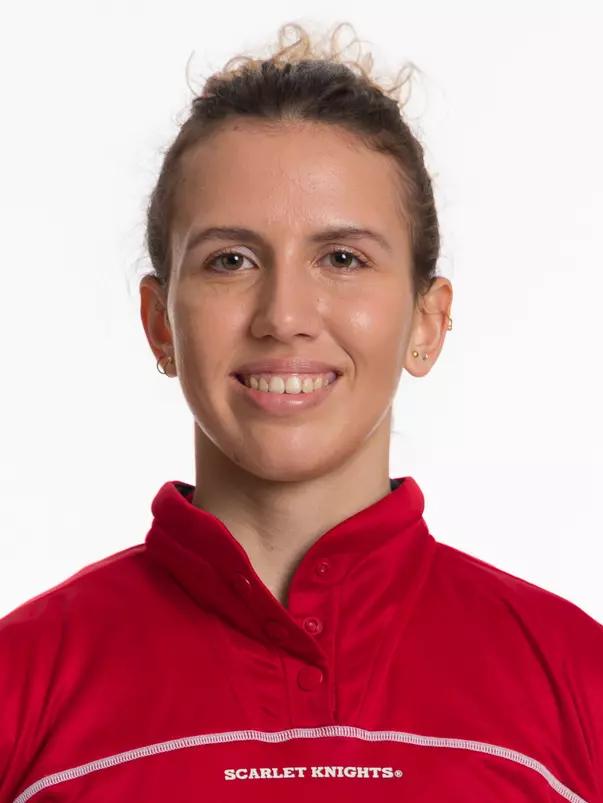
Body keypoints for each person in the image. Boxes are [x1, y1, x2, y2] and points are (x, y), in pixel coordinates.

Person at [1, 22, 602, 803]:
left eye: (342, 258)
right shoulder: (20, 683)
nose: (283, 316)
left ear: (426, 321)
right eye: (231, 260)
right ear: (159, 324)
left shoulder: (577, 679)